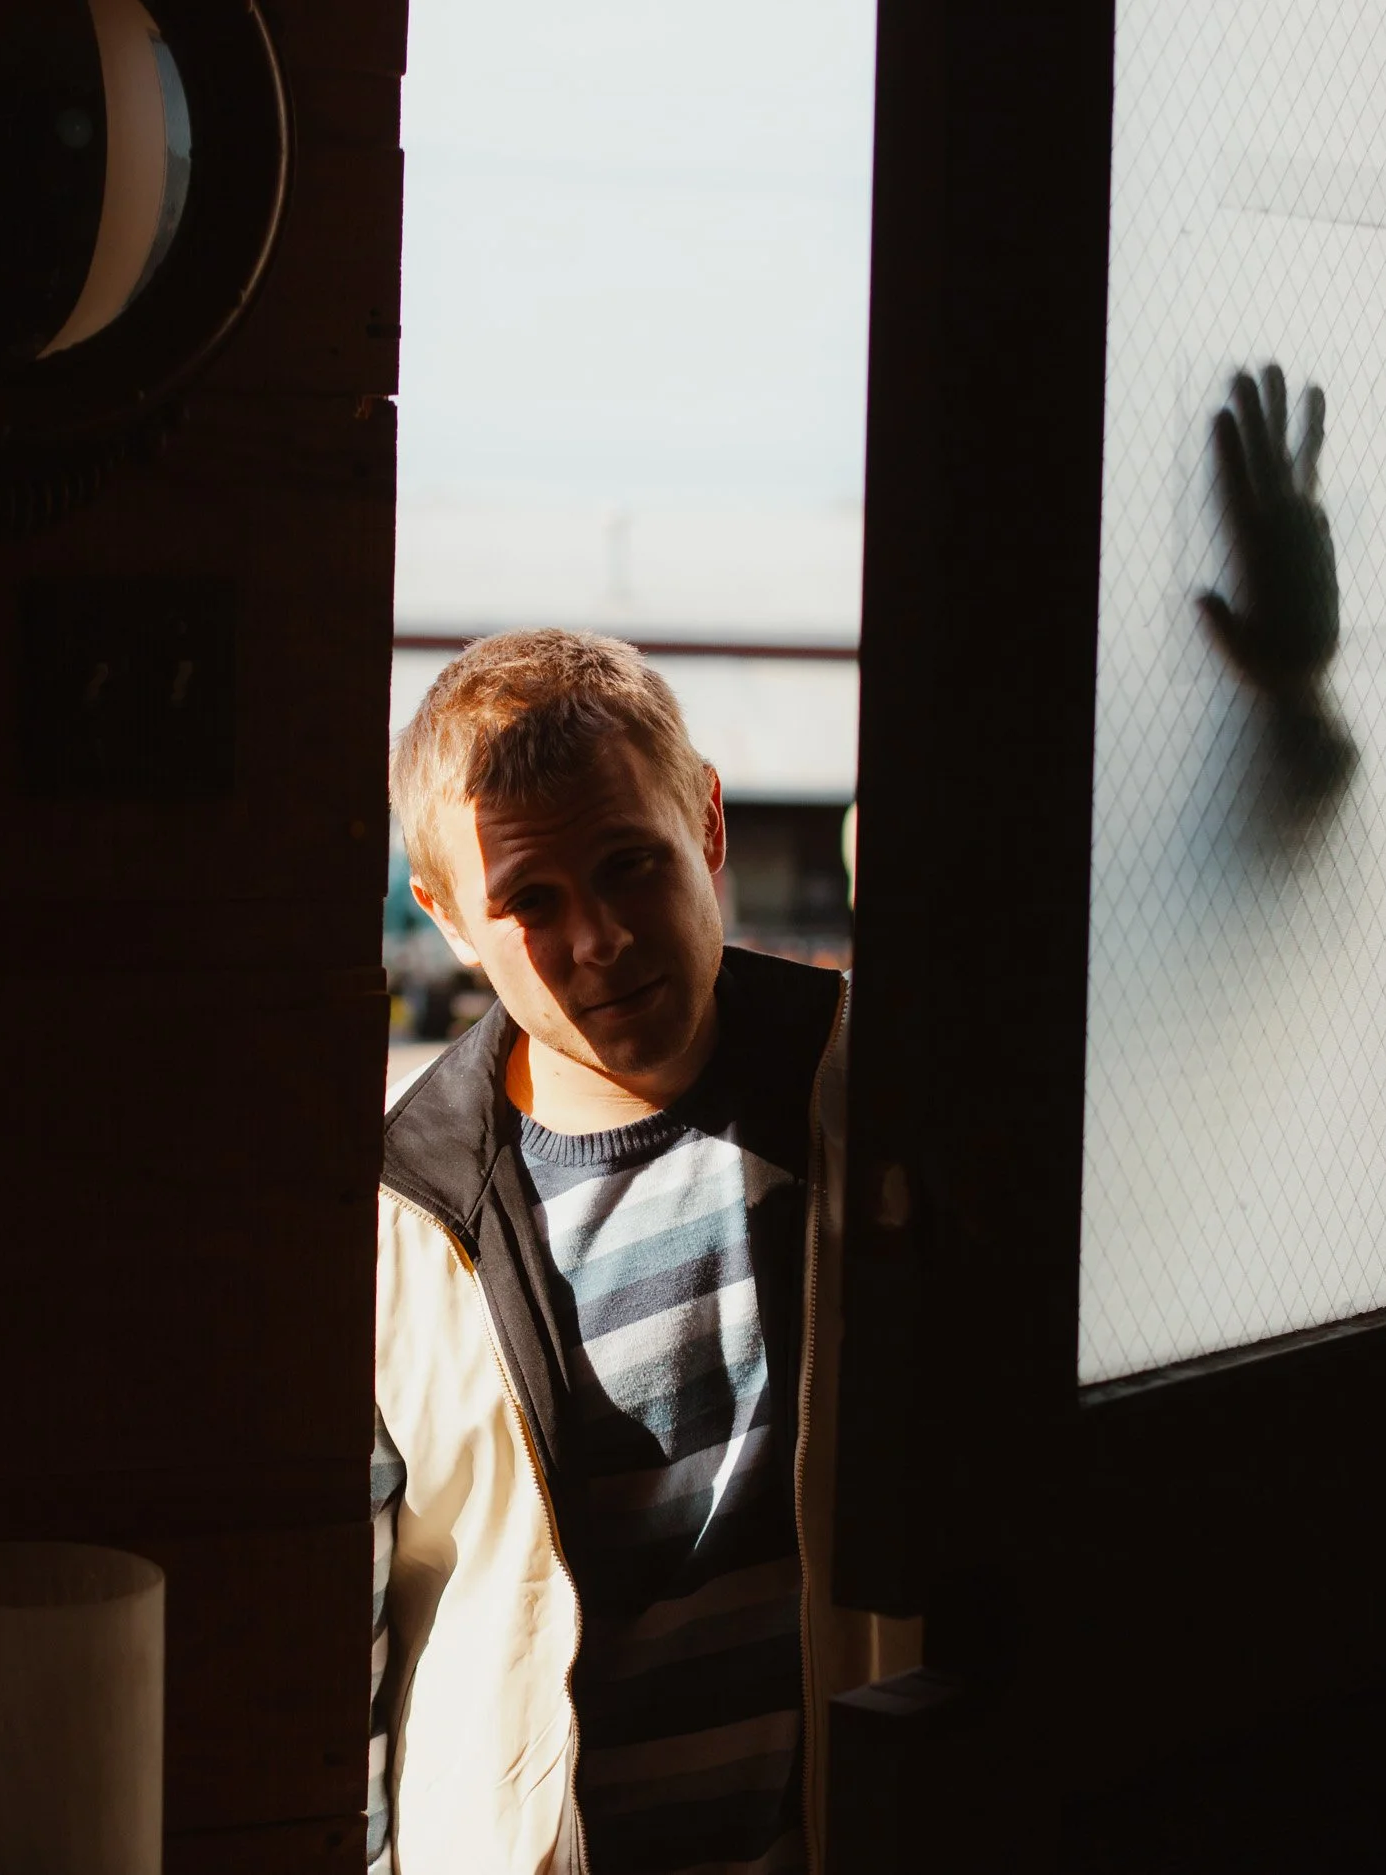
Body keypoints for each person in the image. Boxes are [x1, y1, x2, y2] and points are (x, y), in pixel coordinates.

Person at [367, 629, 912, 1874]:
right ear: (447, 914)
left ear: (707, 824)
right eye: (533, 902)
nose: (599, 939)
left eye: (630, 866)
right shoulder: (401, 1226)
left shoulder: (872, 1097)